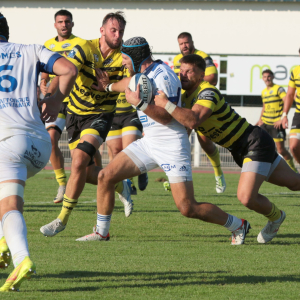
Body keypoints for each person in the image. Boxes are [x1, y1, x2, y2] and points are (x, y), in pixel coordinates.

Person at [76, 37, 250, 246]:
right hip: (149, 143)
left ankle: (238, 225)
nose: (123, 62)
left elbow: (167, 116)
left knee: (187, 207)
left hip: (172, 145)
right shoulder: (143, 74)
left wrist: (139, 103)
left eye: (125, 58)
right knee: (105, 176)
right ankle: (101, 232)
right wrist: (107, 86)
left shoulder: (163, 75)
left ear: (136, 57)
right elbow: (128, 84)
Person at [155, 54, 300, 244]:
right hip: (240, 149)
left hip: (253, 142)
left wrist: (166, 104)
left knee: (246, 197)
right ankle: (276, 217)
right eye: (181, 71)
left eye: (189, 71)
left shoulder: (207, 92)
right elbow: (185, 130)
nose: (183, 75)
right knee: (295, 183)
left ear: (201, 74)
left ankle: (276, 217)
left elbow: (193, 119)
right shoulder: (183, 98)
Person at [0, 13, 77, 291]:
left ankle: (21, 258)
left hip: (7, 143)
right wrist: (56, 101)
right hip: (40, 144)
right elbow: (68, 69)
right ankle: (4, 241)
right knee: (9, 201)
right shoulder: (31, 49)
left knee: (6, 205)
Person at [40, 11, 133, 238]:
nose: (118, 35)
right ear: (102, 31)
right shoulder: (84, 48)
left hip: (101, 115)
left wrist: (109, 86)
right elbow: (63, 74)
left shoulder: (124, 57)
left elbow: (130, 85)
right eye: (113, 30)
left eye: (121, 31)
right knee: (87, 172)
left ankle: (62, 220)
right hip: (75, 114)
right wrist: (48, 98)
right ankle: (121, 185)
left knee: (79, 161)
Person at [40, 10, 88, 203]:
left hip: (77, 100)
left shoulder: (81, 44)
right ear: (55, 25)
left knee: (83, 151)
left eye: (67, 21)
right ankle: (62, 184)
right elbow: (44, 70)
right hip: (56, 100)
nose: (64, 25)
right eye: (60, 22)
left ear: (72, 24)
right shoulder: (48, 45)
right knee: (51, 139)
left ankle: (111, 181)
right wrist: (43, 82)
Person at [173, 32, 226, 194]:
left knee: (205, 141)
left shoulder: (202, 57)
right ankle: (176, 177)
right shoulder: (177, 60)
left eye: (187, 42)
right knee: (180, 139)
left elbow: (213, 77)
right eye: (181, 43)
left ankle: (218, 173)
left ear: (192, 42)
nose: (184, 46)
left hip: (202, 101)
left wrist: (193, 83)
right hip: (185, 101)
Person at [106, 72, 148, 195]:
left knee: (129, 148)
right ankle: (138, 171)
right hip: (112, 114)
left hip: (131, 114)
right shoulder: (108, 65)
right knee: (115, 151)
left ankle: (130, 184)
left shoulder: (132, 68)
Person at [256, 69, 297, 172]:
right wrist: (260, 120)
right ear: (262, 78)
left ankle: (293, 171)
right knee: (261, 146)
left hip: (276, 124)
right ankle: (266, 170)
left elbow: (286, 100)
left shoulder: (279, 89)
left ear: (273, 77)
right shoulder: (263, 91)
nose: (267, 78)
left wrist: (282, 118)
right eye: (265, 77)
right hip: (265, 123)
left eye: (269, 76)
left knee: (281, 150)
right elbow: (264, 106)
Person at [281, 57, 300, 165]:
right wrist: (284, 115)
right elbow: (289, 94)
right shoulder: (296, 71)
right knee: (293, 146)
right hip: (299, 113)